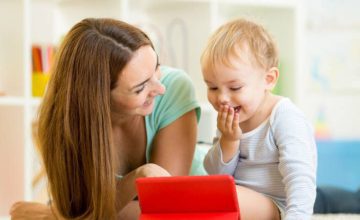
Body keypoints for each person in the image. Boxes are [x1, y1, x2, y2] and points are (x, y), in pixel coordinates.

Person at [10, 18, 200, 219]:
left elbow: (166, 210)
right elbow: (79, 210)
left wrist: (55, 215)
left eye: (156, 67)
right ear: (98, 98)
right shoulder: (63, 124)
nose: (159, 88)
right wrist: (138, 176)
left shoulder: (174, 88)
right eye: (140, 88)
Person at [201, 18, 317, 220]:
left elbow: (300, 178)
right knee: (210, 195)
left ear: (268, 79)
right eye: (212, 87)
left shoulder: (285, 117)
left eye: (235, 87)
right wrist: (229, 141)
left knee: (220, 198)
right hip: (239, 203)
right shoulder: (231, 115)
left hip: (276, 207)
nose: (222, 98)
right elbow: (216, 174)